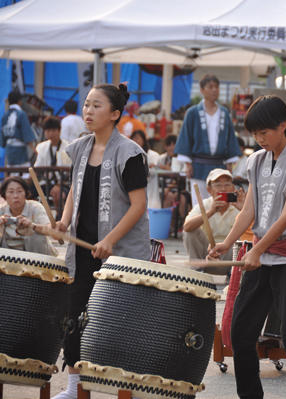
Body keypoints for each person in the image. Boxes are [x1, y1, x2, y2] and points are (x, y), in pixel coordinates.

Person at [209, 95, 286, 399]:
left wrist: (258, 250)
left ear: (283, 126)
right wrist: (227, 243)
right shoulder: (257, 159)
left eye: (265, 132)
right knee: (241, 331)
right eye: (255, 133)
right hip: (260, 254)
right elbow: (250, 209)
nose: (259, 139)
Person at [51, 83, 151, 399]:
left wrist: (109, 239)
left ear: (115, 114)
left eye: (96, 106)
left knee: (118, 321)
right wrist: (63, 222)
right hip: (82, 250)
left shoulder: (130, 153)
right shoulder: (80, 147)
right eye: (86, 105)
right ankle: (74, 386)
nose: (88, 111)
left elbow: (139, 205)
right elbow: (74, 192)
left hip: (119, 252)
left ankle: (125, 386)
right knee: (74, 315)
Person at [174, 74, 241, 204]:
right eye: (210, 87)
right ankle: (200, 225)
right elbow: (186, 137)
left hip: (219, 165)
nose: (214, 90)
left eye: (216, 87)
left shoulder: (224, 113)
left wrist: (229, 163)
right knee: (200, 204)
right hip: (198, 165)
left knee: (220, 202)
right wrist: (188, 164)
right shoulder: (193, 112)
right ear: (202, 90)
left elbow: (230, 139)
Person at [183, 168, 245, 275]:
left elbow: (255, 230)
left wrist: (244, 210)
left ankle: (234, 273)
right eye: (217, 185)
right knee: (190, 231)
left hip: (232, 257)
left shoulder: (240, 205)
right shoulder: (204, 205)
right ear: (209, 190)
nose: (223, 188)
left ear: (233, 188)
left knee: (244, 234)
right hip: (207, 256)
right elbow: (186, 227)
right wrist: (210, 212)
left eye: (227, 184)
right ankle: (197, 271)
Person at [0, 176, 57, 256]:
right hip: (9, 256)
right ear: (4, 195)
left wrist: (32, 226)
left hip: (35, 255)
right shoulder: (1, 210)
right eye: (11, 192)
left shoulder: (36, 207)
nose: (16, 196)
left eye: (19, 191)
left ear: (25, 193)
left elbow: (49, 229)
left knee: (35, 235)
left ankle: (38, 266)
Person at [33, 116, 72, 210]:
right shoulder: (41, 147)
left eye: (53, 130)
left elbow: (70, 171)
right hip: (45, 182)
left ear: (59, 130)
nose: (50, 133)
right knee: (26, 191)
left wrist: (59, 184)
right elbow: (37, 168)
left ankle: (60, 216)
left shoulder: (69, 147)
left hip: (65, 183)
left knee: (56, 193)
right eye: (47, 130)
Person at [1, 91, 36, 168]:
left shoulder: (4, 116)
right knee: (23, 175)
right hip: (20, 151)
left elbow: (3, 140)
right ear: (19, 101)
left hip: (9, 150)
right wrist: (33, 150)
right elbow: (27, 135)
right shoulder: (21, 114)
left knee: (11, 174)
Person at [131, 129, 161, 208]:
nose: (135, 141)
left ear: (143, 139)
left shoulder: (153, 155)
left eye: (137, 138)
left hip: (150, 184)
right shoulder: (129, 155)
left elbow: (155, 168)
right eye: (133, 138)